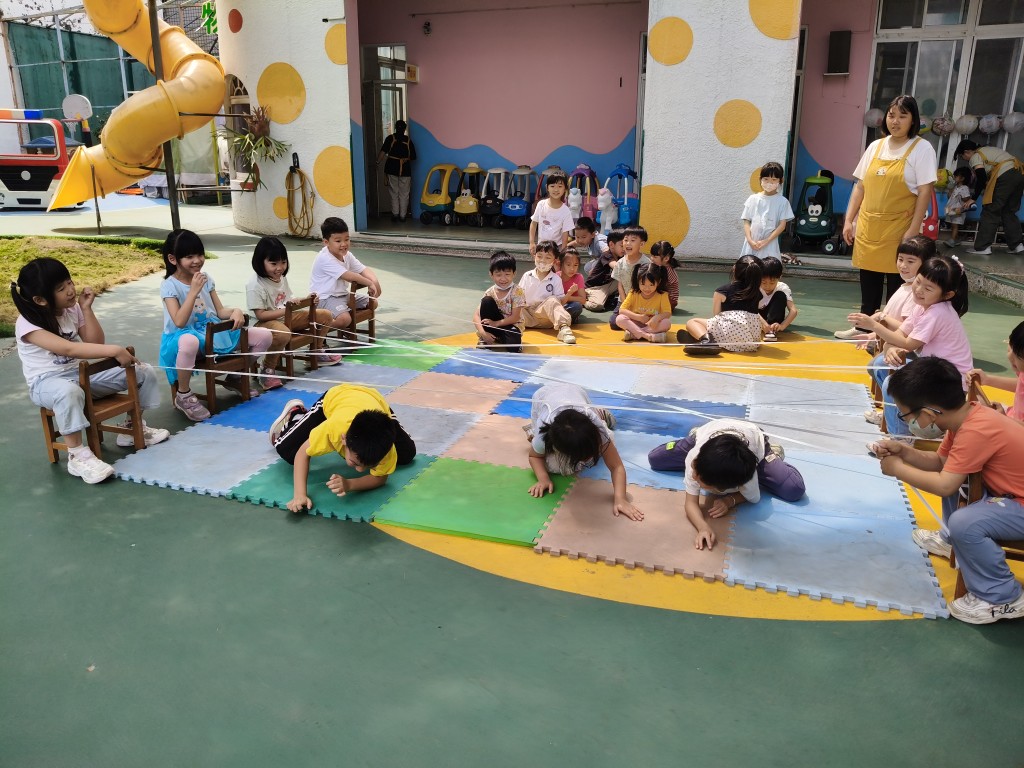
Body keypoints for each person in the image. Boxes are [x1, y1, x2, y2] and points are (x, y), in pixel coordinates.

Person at [879, 356, 1024, 624]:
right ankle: (950, 541)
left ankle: (1003, 597)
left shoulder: (975, 431)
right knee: (961, 483)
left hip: (1019, 503)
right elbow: (940, 462)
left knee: (965, 523)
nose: (907, 421)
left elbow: (944, 484)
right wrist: (904, 453)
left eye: (906, 415)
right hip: (1012, 496)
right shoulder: (966, 417)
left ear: (928, 413)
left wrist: (897, 469)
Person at [12, 257, 170, 483]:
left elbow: (95, 342)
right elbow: (69, 348)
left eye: (69, 282)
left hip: (80, 376)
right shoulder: (27, 323)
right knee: (68, 392)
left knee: (141, 371)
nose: (70, 290)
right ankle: (77, 455)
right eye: (61, 288)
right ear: (40, 300)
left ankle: (131, 428)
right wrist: (115, 350)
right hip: (46, 384)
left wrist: (86, 309)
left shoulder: (72, 309)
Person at [837, 95, 937, 341]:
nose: (895, 121)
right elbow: (860, 186)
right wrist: (849, 220)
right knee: (868, 277)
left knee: (898, 281)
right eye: (892, 115)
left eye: (903, 116)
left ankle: (891, 332)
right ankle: (864, 327)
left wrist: (913, 229)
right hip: (869, 224)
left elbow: (925, 191)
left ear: (913, 120)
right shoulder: (875, 147)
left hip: (900, 226)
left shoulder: (922, 148)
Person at [849, 253, 972, 440]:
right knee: (880, 364)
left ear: (947, 295)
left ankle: (901, 439)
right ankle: (896, 415)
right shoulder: (922, 306)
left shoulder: (938, 313)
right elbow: (901, 335)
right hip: (933, 370)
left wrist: (874, 325)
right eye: (918, 282)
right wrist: (890, 348)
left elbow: (908, 343)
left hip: (949, 382)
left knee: (893, 382)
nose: (919, 290)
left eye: (928, 288)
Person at [159, 229, 274, 422]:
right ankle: (183, 395)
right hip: (182, 337)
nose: (197, 261)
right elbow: (179, 321)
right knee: (189, 342)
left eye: (200, 254)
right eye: (189, 256)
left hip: (212, 333)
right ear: (173, 259)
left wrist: (235, 311)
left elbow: (219, 311)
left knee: (264, 336)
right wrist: (193, 291)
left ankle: (235, 376)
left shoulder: (206, 278)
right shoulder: (169, 285)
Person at [647, 419, 805, 551]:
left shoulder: (748, 479)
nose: (693, 476)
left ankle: (774, 454)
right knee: (655, 458)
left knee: (794, 489)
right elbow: (690, 503)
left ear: (720, 489)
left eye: (700, 481)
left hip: (754, 438)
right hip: (709, 435)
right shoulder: (695, 459)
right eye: (695, 470)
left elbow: (752, 497)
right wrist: (703, 527)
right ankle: (695, 434)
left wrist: (730, 501)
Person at [270, 385, 416, 514]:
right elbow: (302, 454)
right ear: (344, 440)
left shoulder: (386, 450)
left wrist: (350, 484)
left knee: (407, 455)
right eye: (355, 463)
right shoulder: (333, 429)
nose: (360, 470)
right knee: (285, 449)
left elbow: (381, 478)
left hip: (374, 401)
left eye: (370, 465)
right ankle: (296, 415)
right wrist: (300, 495)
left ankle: (387, 421)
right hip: (338, 397)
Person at [526, 383, 642, 521]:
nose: (587, 460)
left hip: (575, 393)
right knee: (555, 467)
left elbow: (616, 466)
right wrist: (543, 479)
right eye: (582, 457)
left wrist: (621, 499)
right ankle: (532, 431)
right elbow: (534, 456)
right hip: (542, 399)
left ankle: (601, 414)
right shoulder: (544, 438)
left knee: (610, 440)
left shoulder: (596, 429)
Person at [853, 235, 930, 426]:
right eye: (900, 259)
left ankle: (897, 420)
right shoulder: (905, 287)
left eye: (910, 261)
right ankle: (891, 413)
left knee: (881, 369)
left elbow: (905, 329)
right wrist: (874, 334)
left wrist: (879, 320)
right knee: (876, 366)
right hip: (895, 343)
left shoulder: (917, 294)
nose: (903, 265)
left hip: (908, 350)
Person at [246, 236, 341, 387]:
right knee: (283, 333)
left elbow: (288, 300)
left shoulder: (281, 277)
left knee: (326, 316)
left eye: (283, 262)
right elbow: (260, 315)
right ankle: (267, 369)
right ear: (260, 262)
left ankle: (316, 351)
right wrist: (287, 310)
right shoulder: (255, 285)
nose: (280, 268)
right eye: (273, 263)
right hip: (263, 323)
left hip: (285, 317)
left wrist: (306, 300)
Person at [681, 255, 768, 355]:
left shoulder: (722, 291)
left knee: (692, 322)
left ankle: (706, 340)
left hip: (729, 335)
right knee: (724, 327)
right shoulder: (758, 294)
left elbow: (716, 315)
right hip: (752, 341)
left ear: (734, 269)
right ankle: (704, 338)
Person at [309, 217, 381, 337]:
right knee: (344, 319)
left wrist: (375, 282)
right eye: (338, 241)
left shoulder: (347, 255)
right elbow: (349, 276)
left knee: (373, 303)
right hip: (325, 298)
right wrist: (369, 283)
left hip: (342, 296)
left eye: (347, 239)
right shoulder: (324, 258)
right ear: (326, 242)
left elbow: (363, 269)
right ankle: (316, 330)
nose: (344, 244)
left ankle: (345, 327)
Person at [952, 139, 1024, 256]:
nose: (965, 159)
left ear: (966, 152)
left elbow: (981, 178)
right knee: (1009, 211)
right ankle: (1017, 245)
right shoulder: (987, 149)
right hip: (1019, 173)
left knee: (990, 211)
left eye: (962, 156)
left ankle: (983, 247)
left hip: (1005, 176)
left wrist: (973, 198)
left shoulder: (975, 156)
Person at [518, 241, 576, 344]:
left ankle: (564, 329)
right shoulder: (527, 275)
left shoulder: (555, 279)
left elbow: (559, 303)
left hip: (546, 318)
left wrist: (569, 294)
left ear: (554, 261)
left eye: (548, 257)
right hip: (526, 316)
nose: (542, 260)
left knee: (553, 300)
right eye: (539, 256)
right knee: (510, 307)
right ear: (534, 256)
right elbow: (518, 297)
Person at [967, 320, 1024, 422]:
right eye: (1010, 347)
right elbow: (1021, 385)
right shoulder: (1022, 370)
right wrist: (987, 380)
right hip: (1011, 415)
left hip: (1015, 426)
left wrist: (1003, 419)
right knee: (975, 404)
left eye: (1017, 355)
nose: (1009, 356)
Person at [473, 250, 525, 352]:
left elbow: (515, 317)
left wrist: (496, 323)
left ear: (514, 273)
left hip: (510, 326)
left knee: (513, 346)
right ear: (491, 274)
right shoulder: (489, 292)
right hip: (493, 325)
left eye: (507, 274)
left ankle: (501, 339)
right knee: (486, 301)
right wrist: (483, 333)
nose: (503, 279)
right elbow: (476, 316)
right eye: (498, 275)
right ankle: (486, 338)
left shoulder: (517, 291)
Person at [741, 161, 794, 260]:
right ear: (760, 179)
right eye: (766, 179)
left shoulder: (782, 202)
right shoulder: (753, 199)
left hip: (770, 244)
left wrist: (766, 241)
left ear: (780, 181)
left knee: (769, 267)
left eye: (774, 179)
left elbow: (782, 225)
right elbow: (746, 221)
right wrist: (749, 240)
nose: (769, 183)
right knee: (748, 267)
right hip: (751, 243)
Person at [607, 225, 650, 331]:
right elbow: (620, 284)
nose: (628, 243)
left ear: (641, 244)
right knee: (613, 323)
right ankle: (634, 324)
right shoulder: (620, 263)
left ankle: (633, 325)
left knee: (646, 319)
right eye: (626, 240)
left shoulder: (646, 263)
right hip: (624, 300)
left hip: (642, 301)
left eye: (633, 240)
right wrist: (624, 301)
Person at [615, 263, 671, 343]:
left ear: (658, 282)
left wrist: (656, 318)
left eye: (651, 285)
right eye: (643, 284)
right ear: (638, 281)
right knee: (619, 319)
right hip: (635, 322)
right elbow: (622, 310)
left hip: (652, 325)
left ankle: (634, 334)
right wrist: (638, 317)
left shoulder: (662, 295)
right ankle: (648, 336)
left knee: (666, 323)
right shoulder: (633, 293)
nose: (647, 288)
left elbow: (667, 313)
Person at [375, 120, 416, 222]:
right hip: (405, 170)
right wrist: (406, 159)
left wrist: (377, 162)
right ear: (405, 129)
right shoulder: (408, 140)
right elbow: (414, 156)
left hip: (391, 169)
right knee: (404, 194)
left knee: (394, 192)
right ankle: (403, 216)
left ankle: (395, 214)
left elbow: (383, 152)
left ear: (395, 128)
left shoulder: (390, 138)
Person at [529, 170, 575, 256]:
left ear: (565, 188)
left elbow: (565, 234)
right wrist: (532, 243)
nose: (556, 189)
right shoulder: (541, 204)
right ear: (547, 187)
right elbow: (534, 223)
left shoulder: (566, 211)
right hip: (541, 247)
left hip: (557, 249)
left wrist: (563, 253)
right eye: (552, 186)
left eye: (560, 186)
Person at [757, 255, 798, 340]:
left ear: (779, 277)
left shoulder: (782, 287)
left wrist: (782, 326)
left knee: (780, 295)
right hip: (757, 317)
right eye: (763, 282)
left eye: (772, 283)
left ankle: (771, 331)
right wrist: (763, 323)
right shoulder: (755, 286)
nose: (767, 286)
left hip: (773, 319)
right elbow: (748, 308)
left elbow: (793, 311)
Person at [583, 228, 623, 312]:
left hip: (609, 285)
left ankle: (610, 298)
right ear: (611, 245)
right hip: (596, 287)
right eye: (622, 246)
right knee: (597, 306)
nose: (624, 249)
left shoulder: (621, 255)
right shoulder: (606, 255)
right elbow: (616, 267)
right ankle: (582, 300)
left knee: (627, 279)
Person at [943, 166, 975, 248]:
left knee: (955, 225)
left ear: (962, 178)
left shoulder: (964, 188)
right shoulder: (955, 187)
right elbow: (949, 197)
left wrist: (962, 196)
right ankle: (956, 239)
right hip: (951, 209)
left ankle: (952, 240)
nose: (954, 177)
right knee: (952, 225)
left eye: (956, 176)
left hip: (958, 210)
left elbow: (966, 198)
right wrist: (950, 189)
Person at [649, 240, 680, 310]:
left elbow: (659, 287)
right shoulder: (660, 266)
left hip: (670, 301)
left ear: (666, 258)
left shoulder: (666, 271)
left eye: (655, 257)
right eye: (651, 255)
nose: (652, 259)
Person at [558, 248, 585, 323]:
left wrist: (567, 297)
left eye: (575, 265)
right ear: (561, 264)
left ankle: (562, 318)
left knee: (577, 306)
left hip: (569, 306)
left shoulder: (579, 277)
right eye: (568, 265)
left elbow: (583, 300)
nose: (572, 269)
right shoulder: (556, 277)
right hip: (558, 306)